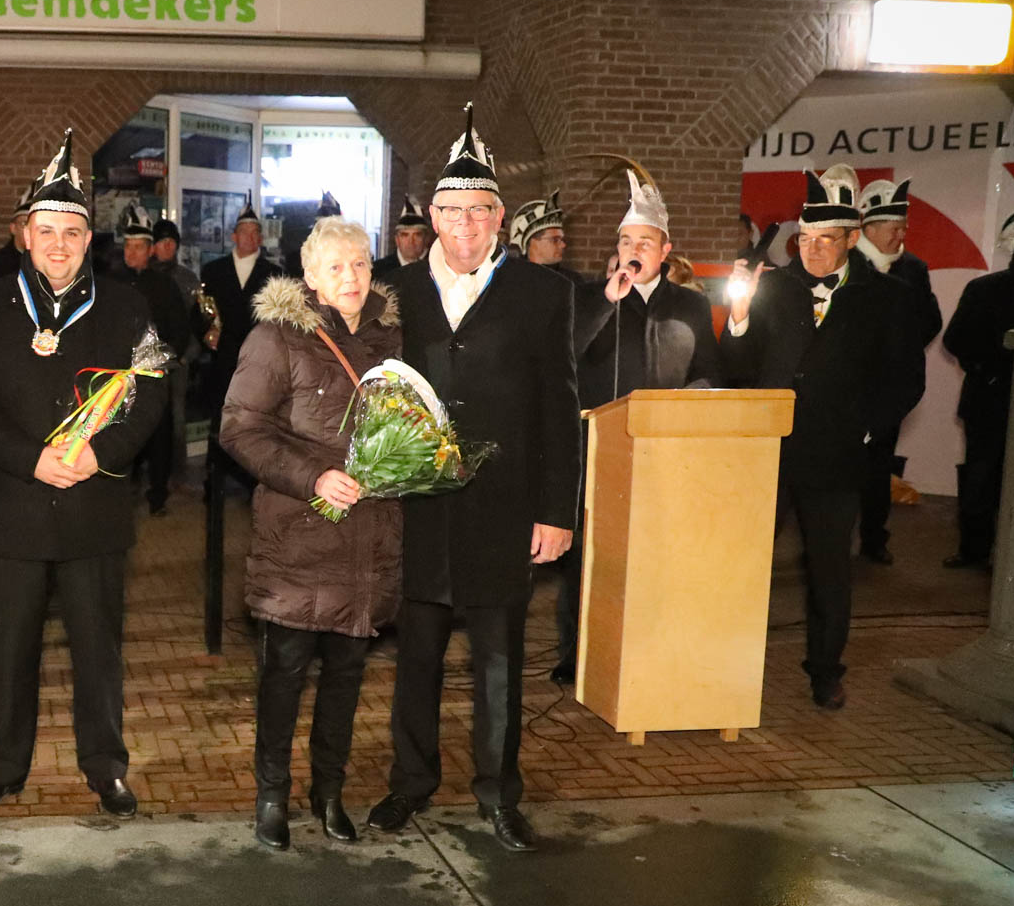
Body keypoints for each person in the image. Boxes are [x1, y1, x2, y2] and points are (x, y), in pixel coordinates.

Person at [369, 106, 579, 853]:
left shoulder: (542, 293)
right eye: (452, 211)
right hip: (417, 509)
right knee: (416, 659)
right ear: (432, 217)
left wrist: (558, 511)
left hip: (504, 510)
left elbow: (559, 409)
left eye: (479, 210)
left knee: (498, 663)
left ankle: (498, 794)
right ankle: (410, 783)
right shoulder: (391, 293)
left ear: (499, 217)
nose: (465, 225)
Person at [0, 130, 166, 819]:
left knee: (98, 652)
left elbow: (152, 394)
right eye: (47, 230)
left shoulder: (127, 308)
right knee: (9, 651)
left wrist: (102, 455)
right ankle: (5, 767)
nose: (59, 244)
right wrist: (31, 459)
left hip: (93, 509)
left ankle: (106, 766)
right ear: (25, 235)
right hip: (13, 508)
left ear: (88, 238)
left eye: (72, 231)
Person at [221, 218, 403, 851]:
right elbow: (239, 429)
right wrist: (313, 476)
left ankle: (329, 793)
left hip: (368, 542)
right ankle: (271, 795)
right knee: (284, 676)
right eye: (336, 267)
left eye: (360, 264)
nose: (351, 277)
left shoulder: (391, 338)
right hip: (298, 538)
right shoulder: (277, 337)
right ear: (310, 277)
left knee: (346, 678)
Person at [721, 163, 924, 710]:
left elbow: (906, 379)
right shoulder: (774, 286)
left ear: (852, 239)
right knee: (743, 562)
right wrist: (738, 317)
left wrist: (865, 429)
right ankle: (725, 666)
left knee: (830, 571)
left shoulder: (885, 297)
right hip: (770, 451)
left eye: (824, 240)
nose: (811, 250)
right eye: (805, 239)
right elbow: (736, 367)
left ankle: (826, 671)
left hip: (836, 456)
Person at [551, 165, 722, 685]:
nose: (633, 250)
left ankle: (648, 645)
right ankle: (577, 651)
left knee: (657, 553)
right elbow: (566, 355)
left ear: (664, 251)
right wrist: (607, 300)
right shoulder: (591, 296)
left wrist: (694, 399)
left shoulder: (690, 305)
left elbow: (709, 371)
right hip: (599, 448)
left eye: (644, 242)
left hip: (667, 452)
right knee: (590, 557)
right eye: (625, 241)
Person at [853, 178, 942, 565]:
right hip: (844, 385)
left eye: (903, 228)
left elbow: (930, 320)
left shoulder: (914, 269)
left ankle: (874, 539)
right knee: (834, 470)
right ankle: (826, 542)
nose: (901, 235)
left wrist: (899, 350)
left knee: (878, 468)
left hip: (886, 390)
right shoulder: (845, 262)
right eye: (894, 228)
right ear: (870, 229)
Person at [943, 217, 1014, 569]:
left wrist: (983, 368)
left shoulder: (983, 288)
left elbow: (956, 340)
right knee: (981, 477)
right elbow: (956, 340)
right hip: (988, 399)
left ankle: (975, 551)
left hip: (986, 397)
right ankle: (980, 551)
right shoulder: (984, 289)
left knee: (981, 477)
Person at [110, 205, 194, 515]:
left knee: (159, 438)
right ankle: (121, 494)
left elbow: (180, 330)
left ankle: (157, 496)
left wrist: (162, 361)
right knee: (119, 436)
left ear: (149, 251)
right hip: (118, 377)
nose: (131, 253)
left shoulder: (165, 286)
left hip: (153, 376)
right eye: (128, 246)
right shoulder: (111, 284)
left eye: (138, 247)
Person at [199, 196, 280, 430]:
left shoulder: (274, 274)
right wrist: (207, 333)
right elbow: (201, 311)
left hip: (259, 360)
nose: (250, 238)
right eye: (245, 232)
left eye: (255, 233)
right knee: (221, 418)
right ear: (234, 236)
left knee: (254, 420)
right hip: (223, 356)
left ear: (261, 239)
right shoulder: (213, 271)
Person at [149, 210, 204, 492]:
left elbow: (198, 322)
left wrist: (186, 355)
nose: (168, 246)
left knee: (177, 417)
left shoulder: (188, 279)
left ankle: (178, 473)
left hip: (178, 360)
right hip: (145, 361)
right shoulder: (144, 277)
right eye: (162, 241)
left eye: (172, 242)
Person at [508, 190, 584, 284]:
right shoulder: (513, 279)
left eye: (562, 239)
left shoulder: (572, 281)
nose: (563, 245)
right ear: (533, 242)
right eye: (555, 240)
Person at [0, 178, 36, 287]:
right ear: (13, 228)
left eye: (33, 225)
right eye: (24, 224)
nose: (29, 230)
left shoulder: (45, 260)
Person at [372, 195, 431, 279]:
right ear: (397, 239)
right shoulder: (377, 271)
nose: (411, 241)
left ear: (426, 239)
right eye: (405, 235)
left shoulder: (437, 268)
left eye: (417, 235)